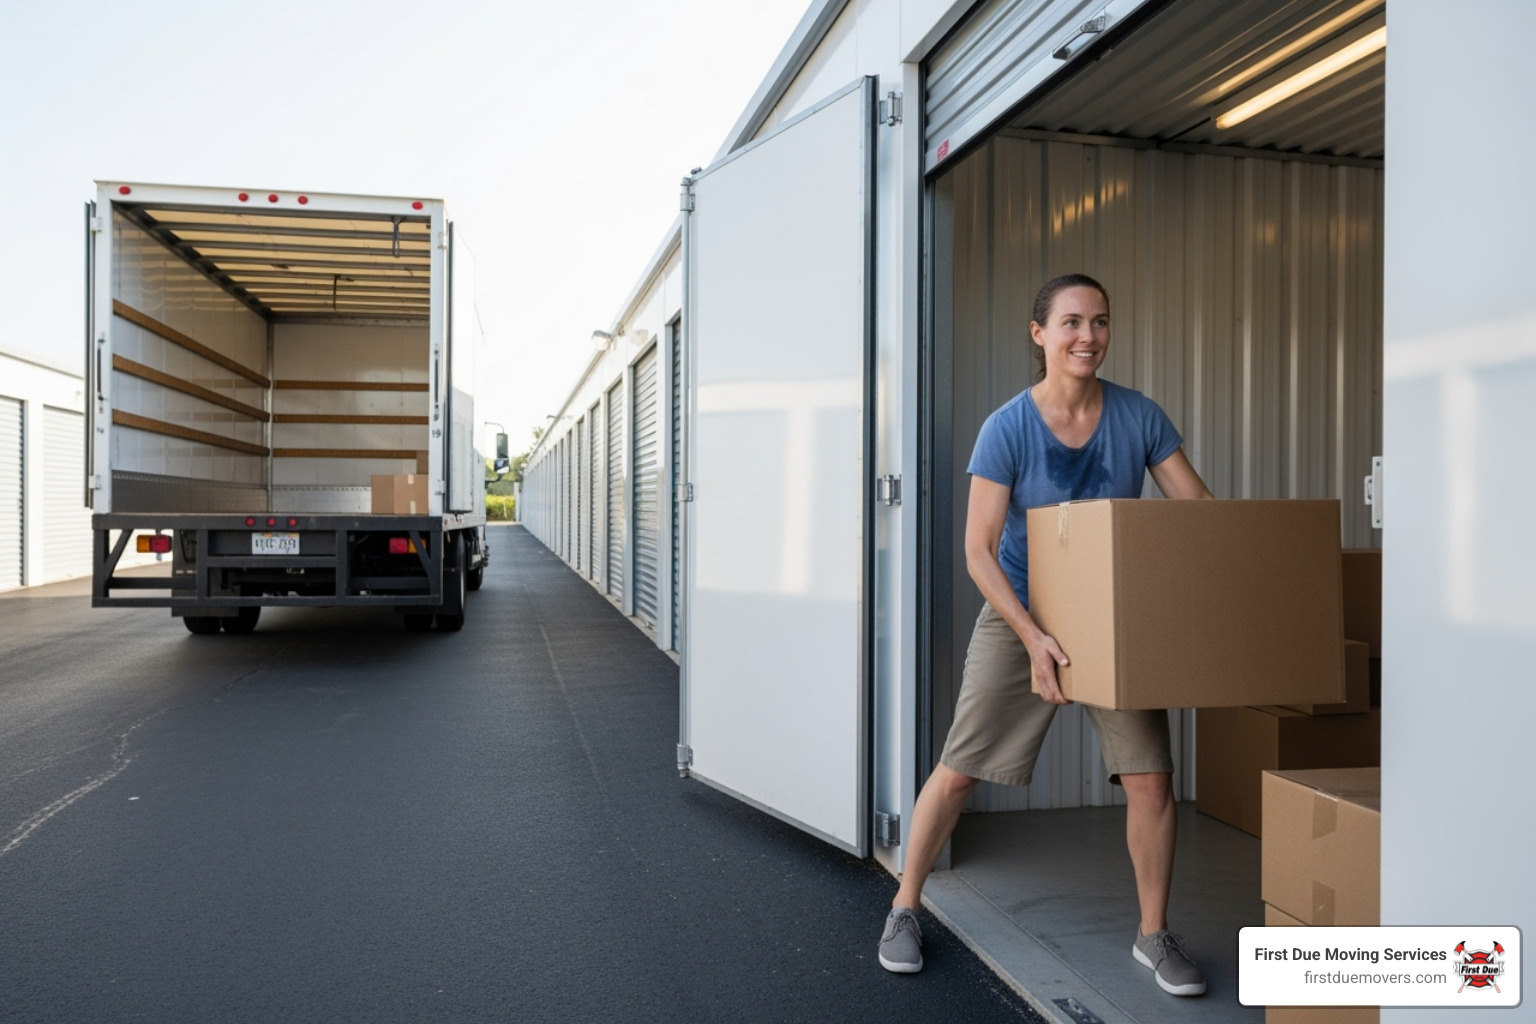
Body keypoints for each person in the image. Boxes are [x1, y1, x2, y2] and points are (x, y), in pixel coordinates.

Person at [876, 273, 1214, 996]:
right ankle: (906, 906)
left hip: (1111, 620)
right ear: (1039, 334)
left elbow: (1200, 514)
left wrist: (1161, 588)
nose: (1087, 335)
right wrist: (1032, 638)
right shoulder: (1008, 427)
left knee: (1152, 780)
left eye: (1099, 320)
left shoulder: (1139, 416)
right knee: (961, 766)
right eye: (1070, 322)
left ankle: (1153, 936)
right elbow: (979, 548)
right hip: (1019, 613)